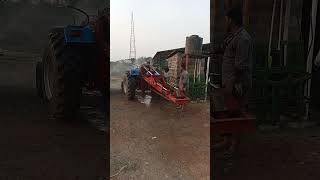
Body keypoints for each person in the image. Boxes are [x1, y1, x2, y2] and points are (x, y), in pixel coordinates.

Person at [221, 7, 253, 111]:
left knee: (237, 113)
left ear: (231, 20)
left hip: (237, 86)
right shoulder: (234, 36)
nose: (225, 22)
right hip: (231, 84)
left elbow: (240, 66)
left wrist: (231, 84)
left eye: (226, 20)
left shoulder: (242, 38)